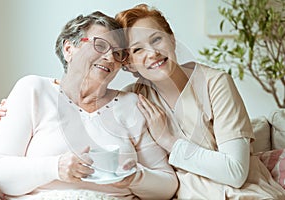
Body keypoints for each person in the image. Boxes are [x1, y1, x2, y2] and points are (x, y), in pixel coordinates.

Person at [0, 11, 178, 200]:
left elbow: (167, 186)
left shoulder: (132, 104)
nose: (110, 58)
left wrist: (134, 178)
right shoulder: (33, 90)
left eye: (118, 53)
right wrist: (55, 168)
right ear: (69, 49)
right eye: (100, 45)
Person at [114, 4, 285, 199]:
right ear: (128, 63)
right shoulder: (132, 100)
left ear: (171, 38)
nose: (152, 53)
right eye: (138, 50)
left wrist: (168, 141)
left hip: (245, 194)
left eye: (157, 39)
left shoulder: (216, 84)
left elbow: (235, 172)